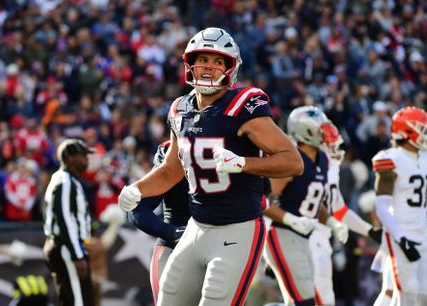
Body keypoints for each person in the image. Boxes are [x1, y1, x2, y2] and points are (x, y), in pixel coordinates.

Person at [118, 27, 303, 306]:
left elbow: (293, 161)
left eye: (218, 61)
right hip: (196, 227)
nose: (208, 67)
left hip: (237, 229)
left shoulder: (243, 106)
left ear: (230, 68)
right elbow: (171, 171)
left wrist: (243, 163)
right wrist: (137, 189)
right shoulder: (180, 109)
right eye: (203, 59)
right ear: (190, 63)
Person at [262, 106, 349, 306]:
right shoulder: (292, 158)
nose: (328, 133)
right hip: (282, 234)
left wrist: (332, 222)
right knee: (305, 302)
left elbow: (312, 202)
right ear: (306, 132)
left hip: (302, 237)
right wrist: (291, 219)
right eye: (322, 129)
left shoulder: (323, 160)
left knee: (303, 300)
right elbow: (262, 202)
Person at [372, 106, 427, 306]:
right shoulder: (390, 158)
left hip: (421, 232)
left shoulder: (424, 158)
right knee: (406, 293)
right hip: (400, 231)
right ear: (408, 131)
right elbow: (381, 206)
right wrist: (401, 238)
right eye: (423, 129)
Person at [307, 118, 382, 305]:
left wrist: (368, 230)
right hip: (306, 239)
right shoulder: (304, 167)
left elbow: (339, 209)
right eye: (329, 145)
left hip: (322, 239)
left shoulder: (331, 169)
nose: (336, 150)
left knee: (325, 296)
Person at [129, 140, 190, 304]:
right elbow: (137, 209)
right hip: (175, 244)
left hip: (218, 241)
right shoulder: (172, 150)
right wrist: (173, 232)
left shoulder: (232, 144)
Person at [42, 138, 94, 306]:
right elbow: (65, 219)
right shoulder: (64, 181)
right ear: (70, 158)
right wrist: (77, 255)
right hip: (65, 247)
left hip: (64, 246)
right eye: (82, 155)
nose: (86, 159)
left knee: (68, 300)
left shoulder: (67, 180)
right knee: (80, 302)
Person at [88, 204, 126, 306]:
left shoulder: (86, 243)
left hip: (89, 279)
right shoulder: (93, 243)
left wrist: (115, 224)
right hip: (93, 278)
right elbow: (106, 242)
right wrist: (115, 224)